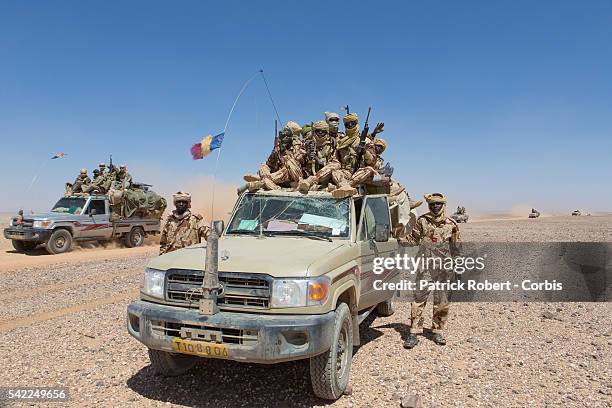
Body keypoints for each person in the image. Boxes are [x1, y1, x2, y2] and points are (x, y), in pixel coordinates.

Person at [397, 193, 461, 349]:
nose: (435, 207)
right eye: (432, 204)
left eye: (438, 204)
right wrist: (397, 238)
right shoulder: (422, 221)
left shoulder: (451, 224)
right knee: (419, 300)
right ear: (429, 206)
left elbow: (456, 248)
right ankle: (413, 333)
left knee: (442, 302)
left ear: (443, 205)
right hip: (425, 268)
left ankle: (437, 331)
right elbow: (413, 239)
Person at [239, 127, 305, 192]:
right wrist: (274, 151)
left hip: (292, 175)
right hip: (280, 176)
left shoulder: (297, 146)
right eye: (283, 137)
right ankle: (267, 180)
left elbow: (300, 160)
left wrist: (291, 155)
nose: (285, 139)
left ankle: (262, 180)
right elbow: (269, 163)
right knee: (263, 165)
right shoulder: (278, 148)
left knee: (289, 163)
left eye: (287, 137)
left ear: (291, 137)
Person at [297, 121, 340, 192]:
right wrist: (306, 155)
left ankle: (311, 182)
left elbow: (335, 163)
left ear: (327, 132)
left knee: (334, 165)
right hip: (307, 174)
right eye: (318, 131)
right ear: (314, 132)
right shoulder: (307, 143)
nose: (320, 133)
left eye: (323, 131)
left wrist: (319, 161)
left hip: (325, 176)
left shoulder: (332, 143)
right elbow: (297, 158)